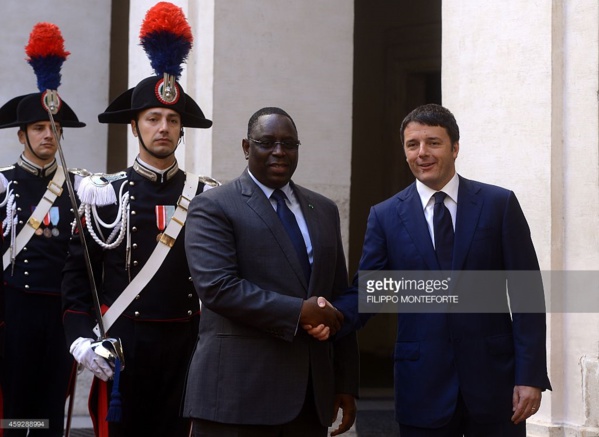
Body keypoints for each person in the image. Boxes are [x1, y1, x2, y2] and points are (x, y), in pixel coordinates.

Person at [336, 103, 551, 436]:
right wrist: (327, 316)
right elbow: (371, 291)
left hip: (496, 384)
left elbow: (527, 294)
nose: (422, 153)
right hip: (422, 385)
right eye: (413, 145)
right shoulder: (385, 215)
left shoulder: (499, 204)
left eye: (433, 143)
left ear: (455, 148)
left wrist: (530, 376)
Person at [61, 3, 216, 436]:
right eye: (153, 119)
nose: (163, 127)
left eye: (172, 119)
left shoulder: (206, 196)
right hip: (123, 346)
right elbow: (77, 281)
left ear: (182, 129)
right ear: (135, 127)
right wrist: (79, 338)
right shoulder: (102, 194)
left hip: (187, 348)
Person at [183, 106, 360, 436]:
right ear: (246, 147)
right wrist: (298, 313)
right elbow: (218, 287)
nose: (279, 151)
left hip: (309, 399)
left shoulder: (323, 209)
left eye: (289, 144)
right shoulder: (213, 205)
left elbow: (336, 298)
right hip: (237, 396)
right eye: (267, 142)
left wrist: (345, 382)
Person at [0, 22, 86, 436]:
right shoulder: (2, 184)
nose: (48, 135)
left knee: (54, 402)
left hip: (61, 313)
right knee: (16, 406)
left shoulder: (81, 187)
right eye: (39, 128)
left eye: (54, 129)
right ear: (21, 135)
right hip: (14, 309)